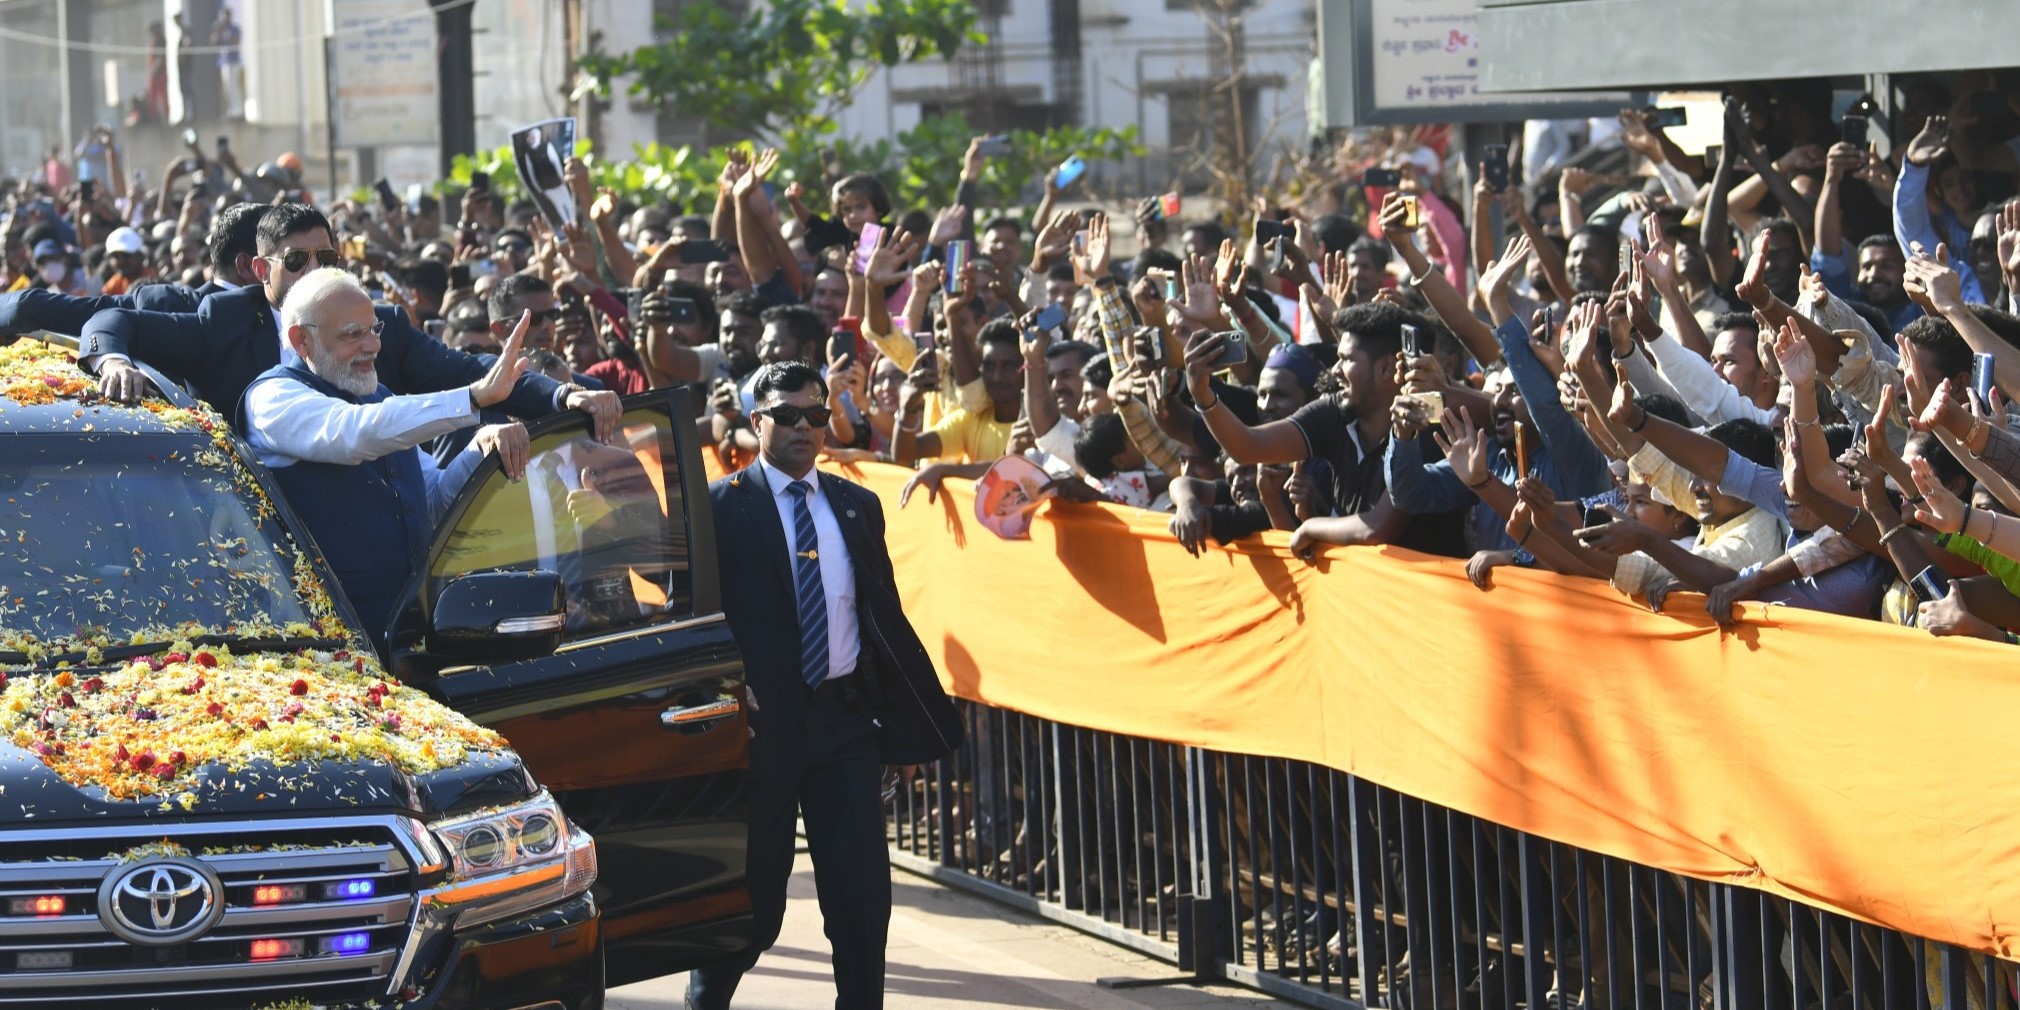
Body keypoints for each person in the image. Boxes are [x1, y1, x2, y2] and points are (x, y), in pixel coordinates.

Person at [694, 360, 960, 1010]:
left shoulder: (856, 505)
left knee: (861, 903)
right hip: (759, 731)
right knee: (755, 907)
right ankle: (707, 1001)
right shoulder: (720, 507)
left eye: (816, 415)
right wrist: (722, 679)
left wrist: (893, 730)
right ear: (757, 421)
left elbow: (880, 619)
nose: (804, 428)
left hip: (844, 725)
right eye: (787, 415)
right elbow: (686, 612)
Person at [77, 203, 618, 441]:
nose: (314, 271)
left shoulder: (382, 324)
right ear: (260, 271)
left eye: (327, 258)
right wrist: (115, 360)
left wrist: (563, 396)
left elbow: (471, 371)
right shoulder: (223, 320)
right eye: (297, 260)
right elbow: (113, 319)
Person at [240, 268, 533, 654]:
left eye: (374, 329)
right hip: (327, 650)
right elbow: (353, 432)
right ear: (301, 339)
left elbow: (433, 500)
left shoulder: (381, 400)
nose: (372, 345)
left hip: (413, 642)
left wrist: (480, 447)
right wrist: (473, 397)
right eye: (352, 334)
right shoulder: (272, 398)